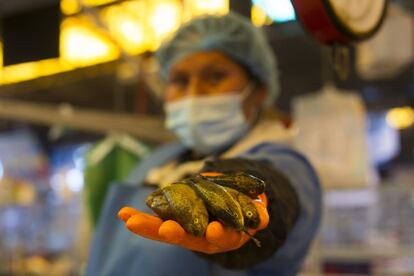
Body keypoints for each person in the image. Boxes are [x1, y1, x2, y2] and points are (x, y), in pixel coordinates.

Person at [86, 12, 321, 276]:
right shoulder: (156, 162)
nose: (194, 92)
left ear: (259, 90)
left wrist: (246, 204)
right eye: (180, 81)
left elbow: (276, 192)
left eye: (215, 76)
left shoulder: (284, 162)